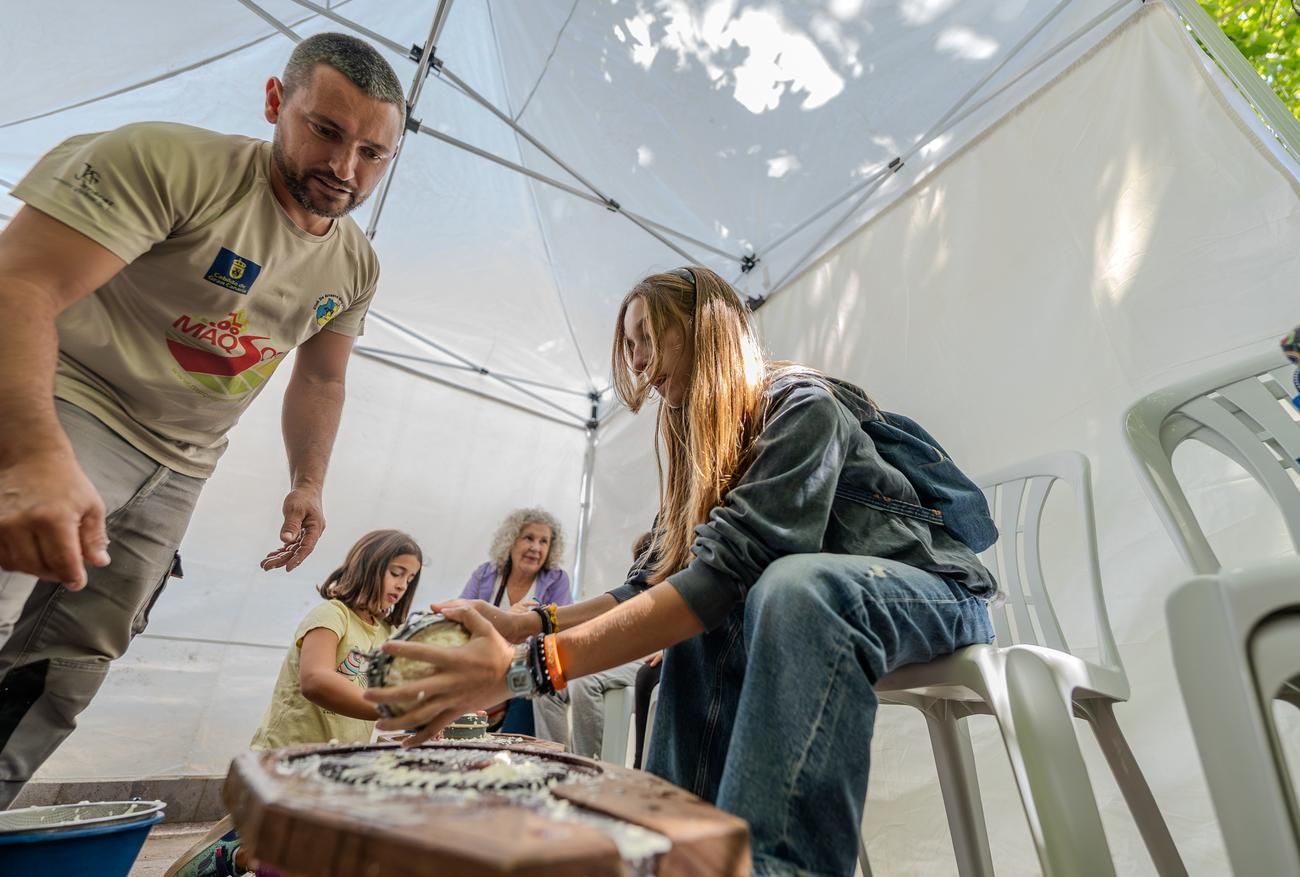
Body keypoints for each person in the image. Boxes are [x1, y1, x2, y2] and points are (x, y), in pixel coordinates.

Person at [366, 266, 998, 876]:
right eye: (631, 347)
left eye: (648, 337)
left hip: (931, 593)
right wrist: (524, 622)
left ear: (705, 327)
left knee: (788, 586)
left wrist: (523, 670)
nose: (638, 361)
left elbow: (718, 579)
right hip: (823, 606)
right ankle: (675, 850)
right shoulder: (705, 447)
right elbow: (651, 585)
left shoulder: (803, 407)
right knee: (705, 620)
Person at [0, 32, 405, 807]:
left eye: (372, 153)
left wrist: (308, 481)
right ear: (274, 103)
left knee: (72, 662)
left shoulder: (355, 264)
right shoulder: (169, 162)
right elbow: (18, 285)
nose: (345, 170)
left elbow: (321, 377)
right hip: (69, 403)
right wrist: (29, 448)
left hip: (181, 467)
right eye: (325, 131)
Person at [175, 529, 422, 877]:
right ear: (369, 565)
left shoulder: (385, 634)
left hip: (334, 768)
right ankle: (235, 855)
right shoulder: (332, 615)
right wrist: (393, 707)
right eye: (396, 572)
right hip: (287, 758)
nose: (403, 585)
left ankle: (246, 850)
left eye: (410, 579)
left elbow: (385, 702)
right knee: (291, 862)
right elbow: (316, 681)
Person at [532, 531, 656, 760]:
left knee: (585, 682)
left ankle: (585, 763)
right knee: (548, 681)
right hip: (628, 653)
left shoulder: (677, 592)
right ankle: (553, 759)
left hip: (650, 659)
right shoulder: (636, 591)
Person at [458, 508, 572, 735]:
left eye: (544, 542)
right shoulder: (485, 575)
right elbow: (457, 620)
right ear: (511, 541)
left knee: (528, 682)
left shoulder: (557, 580)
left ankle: (512, 755)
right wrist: (506, 617)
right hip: (480, 665)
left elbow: (562, 633)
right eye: (528, 538)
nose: (536, 548)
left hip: (523, 668)